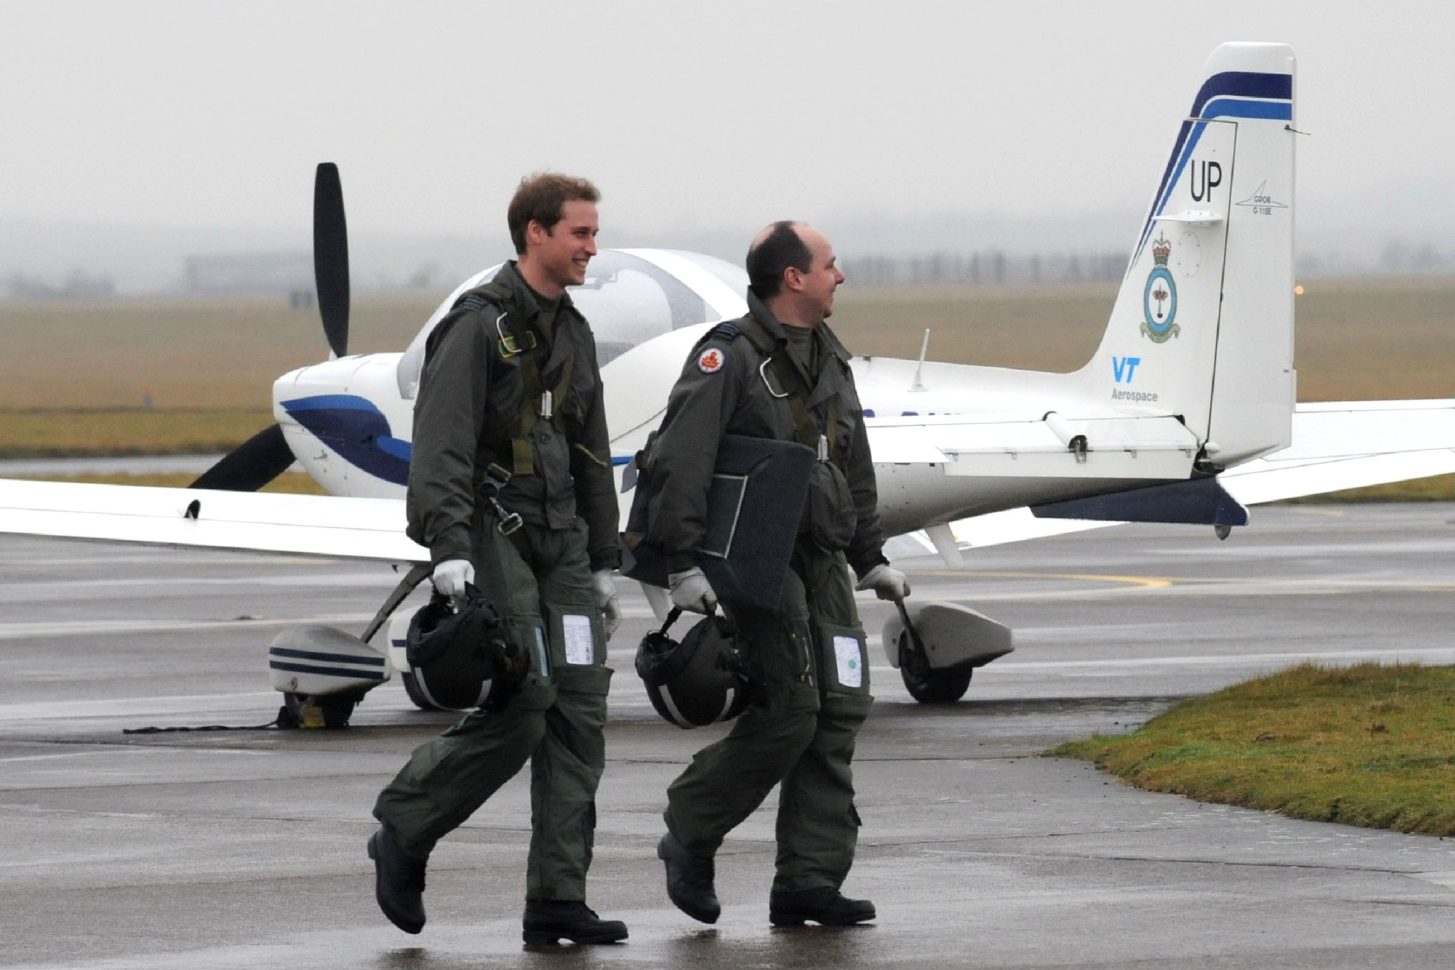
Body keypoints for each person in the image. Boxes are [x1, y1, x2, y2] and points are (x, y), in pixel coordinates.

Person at [368, 172, 627, 946]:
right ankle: (406, 825)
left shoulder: (572, 331)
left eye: (592, 232)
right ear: (534, 233)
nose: (591, 246)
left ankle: (556, 899)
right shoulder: (477, 327)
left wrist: (605, 558)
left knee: (579, 709)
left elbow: (590, 449)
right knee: (524, 701)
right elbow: (440, 443)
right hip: (492, 533)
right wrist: (448, 548)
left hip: (564, 544)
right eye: (579, 233)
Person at [642, 221, 910, 927]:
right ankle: (691, 831)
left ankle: (807, 883)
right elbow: (680, 461)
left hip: (822, 559)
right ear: (793, 278)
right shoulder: (727, 359)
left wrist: (870, 555)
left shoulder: (827, 356)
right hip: (757, 562)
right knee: (790, 710)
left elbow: (850, 463)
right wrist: (681, 565)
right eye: (828, 264)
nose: (839, 275)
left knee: (841, 707)